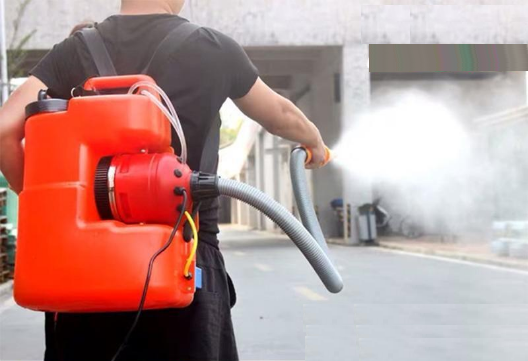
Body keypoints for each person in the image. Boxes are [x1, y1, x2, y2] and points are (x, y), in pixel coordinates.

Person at [0, 0, 328, 360]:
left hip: (87, 264)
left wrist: (40, 198)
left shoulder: (74, 50)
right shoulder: (213, 48)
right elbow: (280, 114)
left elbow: (4, 130)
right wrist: (314, 141)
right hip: (185, 260)